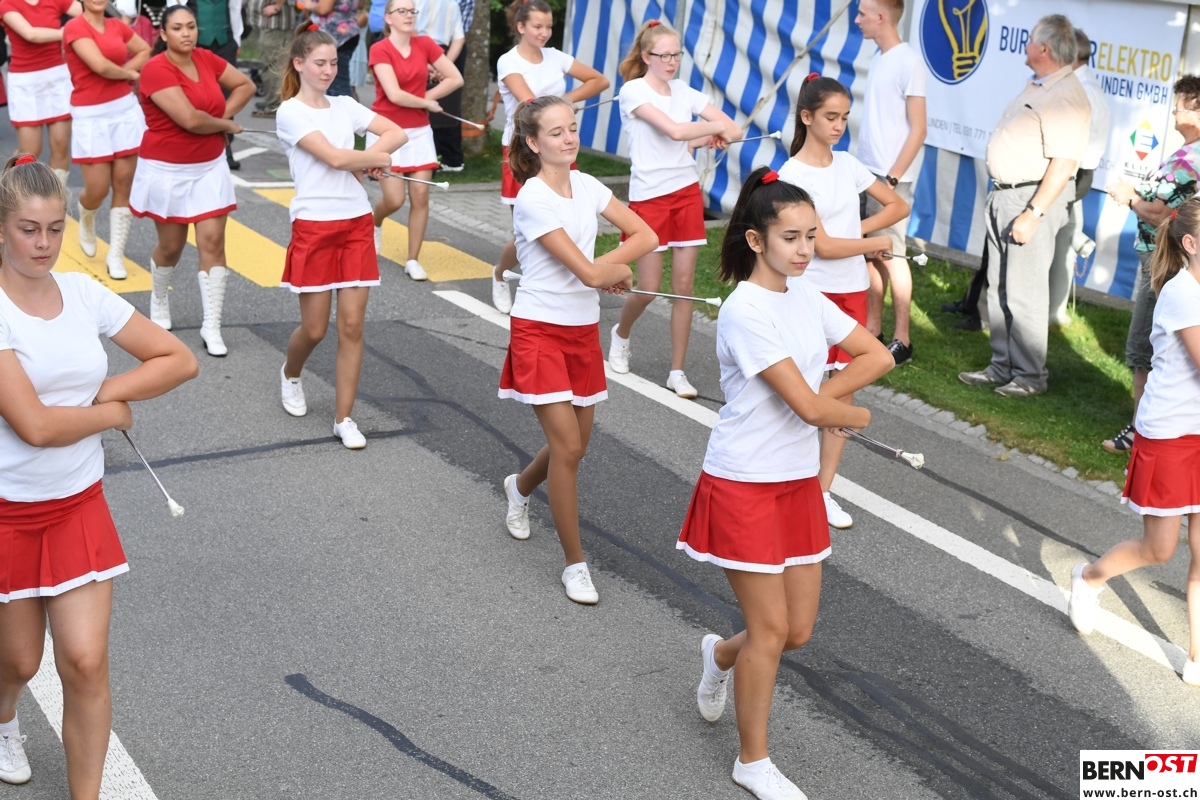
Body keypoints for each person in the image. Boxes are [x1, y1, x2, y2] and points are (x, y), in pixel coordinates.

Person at [680, 166, 892, 800]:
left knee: (796, 631)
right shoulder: (745, 311)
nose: (805, 250)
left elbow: (877, 354)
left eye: (811, 236)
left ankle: (721, 655)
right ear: (756, 240)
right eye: (792, 238)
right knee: (771, 630)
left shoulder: (807, 295)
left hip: (796, 483)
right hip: (744, 480)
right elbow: (804, 407)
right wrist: (845, 413)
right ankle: (753, 761)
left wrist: (831, 402)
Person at [0, 155, 197, 796]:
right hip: (7, 511)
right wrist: (109, 413)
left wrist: (106, 392)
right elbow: (34, 426)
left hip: (76, 503)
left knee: (85, 664)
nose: (44, 243)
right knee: (17, 662)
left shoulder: (82, 292)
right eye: (29, 229)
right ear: (2, 229)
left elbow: (177, 359)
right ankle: (4, 719)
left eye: (56, 228)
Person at [497, 96, 657, 605]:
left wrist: (609, 266)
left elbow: (646, 234)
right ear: (532, 142)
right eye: (556, 132)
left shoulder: (587, 185)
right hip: (539, 330)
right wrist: (612, 271)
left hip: (582, 330)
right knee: (567, 448)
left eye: (572, 128)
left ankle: (520, 487)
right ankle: (575, 564)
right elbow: (587, 273)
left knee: (575, 447)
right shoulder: (532, 197)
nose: (569, 138)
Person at [1068, 197, 1200, 687]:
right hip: (1171, 434)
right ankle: (1088, 579)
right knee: (1160, 549)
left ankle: (1197, 655)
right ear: (1191, 244)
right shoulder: (1182, 293)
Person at [777, 73, 906, 530]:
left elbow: (898, 206)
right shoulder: (792, 175)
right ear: (806, 117)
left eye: (845, 118)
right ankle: (785, 479)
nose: (838, 126)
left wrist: (859, 234)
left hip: (851, 290)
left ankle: (821, 490)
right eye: (830, 117)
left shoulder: (849, 164)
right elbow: (825, 246)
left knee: (843, 391)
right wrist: (873, 243)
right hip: (810, 291)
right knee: (802, 389)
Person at [275, 26, 405, 449]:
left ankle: (344, 418)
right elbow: (333, 157)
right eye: (320, 63)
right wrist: (372, 159)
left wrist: (371, 157)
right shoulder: (290, 112)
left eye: (333, 63)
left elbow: (397, 132)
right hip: (314, 225)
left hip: (355, 223)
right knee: (314, 330)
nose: (328, 70)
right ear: (299, 64)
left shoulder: (345, 105)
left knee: (351, 325)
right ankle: (291, 373)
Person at [606, 20, 741, 399]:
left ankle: (677, 371)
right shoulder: (633, 91)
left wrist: (710, 134)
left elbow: (734, 130)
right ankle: (621, 333)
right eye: (663, 55)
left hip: (685, 194)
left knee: (684, 289)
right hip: (649, 197)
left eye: (676, 55)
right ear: (646, 56)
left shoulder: (684, 91)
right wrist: (709, 131)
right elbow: (676, 131)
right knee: (649, 288)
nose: (671, 62)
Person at [957, 14, 1089, 398]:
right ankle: (1002, 366)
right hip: (1009, 194)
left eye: (1030, 40)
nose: (1026, 45)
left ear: (1043, 48)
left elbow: (1064, 163)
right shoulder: (1042, 85)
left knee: (1024, 292)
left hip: (1029, 198)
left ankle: (1030, 376)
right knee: (1000, 287)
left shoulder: (1066, 95)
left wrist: (1034, 213)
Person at [130, 3, 255, 356]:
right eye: (178, 28)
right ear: (163, 33)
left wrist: (220, 119)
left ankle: (211, 326)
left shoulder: (206, 58)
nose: (186, 33)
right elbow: (190, 120)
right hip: (167, 169)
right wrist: (224, 125)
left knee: (213, 242)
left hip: (209, 165)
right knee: (171, 248)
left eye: (191, 26)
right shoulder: (155, 69)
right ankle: (159, 298)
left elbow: (244, 85)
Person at [1100, 75, 1200, 454]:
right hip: (1163, 259)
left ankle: (1140, 431)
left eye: (1181, 105)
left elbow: (1160, 214)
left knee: (1144, 348)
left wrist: (1130, 198)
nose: (1174, 111)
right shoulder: (1187, 152)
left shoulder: (1192, 158)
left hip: (1164, 263)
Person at [489, 0, 607, 314]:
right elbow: (530, 105)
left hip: (559, 148)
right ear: (521, 27)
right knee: (526, 232)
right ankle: (500, 273)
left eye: (549, 27)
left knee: (567, 222)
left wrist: (568, 99)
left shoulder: (556, 56)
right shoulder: (508, 61)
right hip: (524, 149)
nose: (544, 33)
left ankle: (561, 283)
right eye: (537, 26)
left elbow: (600, 80)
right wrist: (562, 108)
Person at [367, 0, 462, 280]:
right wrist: (426, 102)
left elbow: (455, 78)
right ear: (388, 18)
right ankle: (374, 222)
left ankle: (412, 259)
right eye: (402, 11)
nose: (408, 15)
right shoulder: (379, 49)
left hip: (419, 130)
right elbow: (394, 94)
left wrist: (427, 98)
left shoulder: (425, 44)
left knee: (421, 195)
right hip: (387, 130)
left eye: (412, 11)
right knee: (395, 200)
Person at [854, 0, 926, 366]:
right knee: (870, 253)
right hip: (868, 172)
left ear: (881, 17)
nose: (857, 20)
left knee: (893, 255)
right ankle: (873, 330)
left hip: (889, 177)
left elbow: (919, 129)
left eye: (862, 13)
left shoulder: (908, 61)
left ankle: (903, 340)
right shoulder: (879, 57)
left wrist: (893, 178)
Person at [63, 0, 151, 280]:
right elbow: (99, 66)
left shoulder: (117, 25)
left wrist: (126, 73)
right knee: (97, 189)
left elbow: (145, 49)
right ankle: (86, 216)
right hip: (91, 115)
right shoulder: (74, 27)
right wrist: (129, 74)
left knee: (124, 185)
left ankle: (116, 254)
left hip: (124, 110)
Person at [1048, 26, 1110, 329]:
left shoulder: (1081, 91)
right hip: (1077, 172)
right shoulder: (1084, 86)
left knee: (1060, 246)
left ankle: (1051, 313)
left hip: (1073, 172)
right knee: (1063, 244)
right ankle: (1053, 312)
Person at [0, 0, 81, 184]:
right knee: (29, 152)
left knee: (60, 147)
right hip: (26, 82)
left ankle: (55, 197)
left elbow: (87, 12)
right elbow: (31, 34)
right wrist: (65, 33)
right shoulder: (6, 3)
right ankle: (11, 191)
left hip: (58, 77)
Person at [190, 0, 244, 169]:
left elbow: (235, 9)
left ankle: (226, 148)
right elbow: (176, 9)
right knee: (197, 93)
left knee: (227, 94)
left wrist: (236, 40)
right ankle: (196, 143)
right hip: (195, 43)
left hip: (225, 42)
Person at [418, 0, 465, 171]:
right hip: (444, 53)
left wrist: (432, 65)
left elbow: (409, 33)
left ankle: (426, 158)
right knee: (444, 107)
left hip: (418, 52)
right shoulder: (452, 3)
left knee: (419, 105)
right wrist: (445, 65)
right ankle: (449, 158)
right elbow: (459, 38)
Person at [247, 0, 296, 116]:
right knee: (273, 65)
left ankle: (275, 106)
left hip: (275, 23)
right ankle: (273, 102)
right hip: (271, 24)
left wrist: (277, 6)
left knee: (273, 67)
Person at [300, 0, 359, 98]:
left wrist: (309, 4)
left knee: (338, 86)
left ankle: (344, 107)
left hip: (336, 35)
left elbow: (324, 9)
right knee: (337, 80)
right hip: (348, 31)